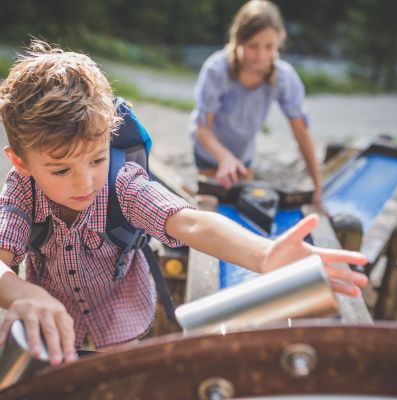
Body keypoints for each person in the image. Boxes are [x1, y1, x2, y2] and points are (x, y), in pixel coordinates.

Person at [0, 40, 367, 366]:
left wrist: (264, 255)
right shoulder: (21, 190)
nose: (84, 183)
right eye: (61, 170)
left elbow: (190, 222)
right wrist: (22, 292)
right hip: (48, 317)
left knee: (120, 378)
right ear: (21, 162)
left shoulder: (122, 184)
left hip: (121, 313)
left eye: (96, 159)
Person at [191, 0, 322, 204]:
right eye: (253, 46)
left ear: (279, 42)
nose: (261, 56)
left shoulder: (283, 77)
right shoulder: (216, 70)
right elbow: (202, 129)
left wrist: (318, 186)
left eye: (269, 46)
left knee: (242, 208)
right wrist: (224, 158)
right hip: (209, 153)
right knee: (210, 205)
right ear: (238, 40)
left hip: (244, 157)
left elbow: (301, 131)